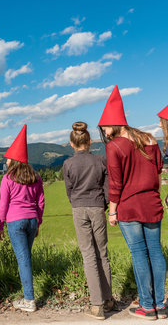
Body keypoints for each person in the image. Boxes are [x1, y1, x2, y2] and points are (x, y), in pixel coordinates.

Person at [99, 86, 166, 320]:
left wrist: (112, 212)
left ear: (115, 124)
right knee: (155, 252)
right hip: (152, 202)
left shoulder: (114, 146)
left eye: (106, 127)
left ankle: (147, 306)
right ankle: (160, 304)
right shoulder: (149, 138)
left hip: (128, 206)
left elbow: (116, 183)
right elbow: (158, 170)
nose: (105, 132)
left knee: (139, 254)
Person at [63, 122, 113, 320]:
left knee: (88, 255)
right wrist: (105, 204)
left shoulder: (68, 164)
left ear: (71, 144)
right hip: (98, 207)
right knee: (103, 253)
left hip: (79, 208)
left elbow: (69, 190)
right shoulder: (100, 160)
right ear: (90, 141)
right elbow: (108, 187)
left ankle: (97, 304)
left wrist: (76, 202)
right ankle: (108, 299)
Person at [0, 124, 45, 313]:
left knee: (23, 259)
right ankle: (28, 294)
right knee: (26, 257)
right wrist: (38, 221)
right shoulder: (36, 177)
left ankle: (29, 299)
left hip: (15, 222)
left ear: (14, 160)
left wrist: (0, 226)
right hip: (32, 220)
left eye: (8, 157)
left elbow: (3, 205)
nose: (6, 160)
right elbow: (40, 202)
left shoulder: (7, 179)